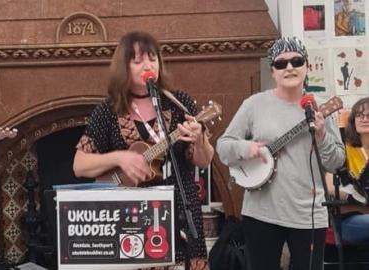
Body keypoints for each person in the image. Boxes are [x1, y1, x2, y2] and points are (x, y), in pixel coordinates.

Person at [73, 31, 213, 270]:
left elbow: (203, 160)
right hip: (131, 218)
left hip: (181, 210)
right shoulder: (109, 111)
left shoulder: (179, 103)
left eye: (152, 58)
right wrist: (120, 157)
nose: (148, 65)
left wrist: (199, 139)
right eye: (138, 61)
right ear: (123, 67)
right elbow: (79, 165)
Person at [216, 37, 345, 270]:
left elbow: (336, 162)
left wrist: (322, 135)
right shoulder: (254, 104)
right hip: (261, 213)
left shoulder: (322, 109)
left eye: (296, 61)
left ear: (307, 67)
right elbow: (223, 147)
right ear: (272, 71)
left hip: (309, 214)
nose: (289, 67)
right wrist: (248, 149)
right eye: (281, 63)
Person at [327, 97, 369, 244]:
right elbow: (330, 188)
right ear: (353, 120)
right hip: (349, 218)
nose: (364, 119)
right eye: (359, 115)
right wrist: (359, 198)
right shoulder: (343, 151)